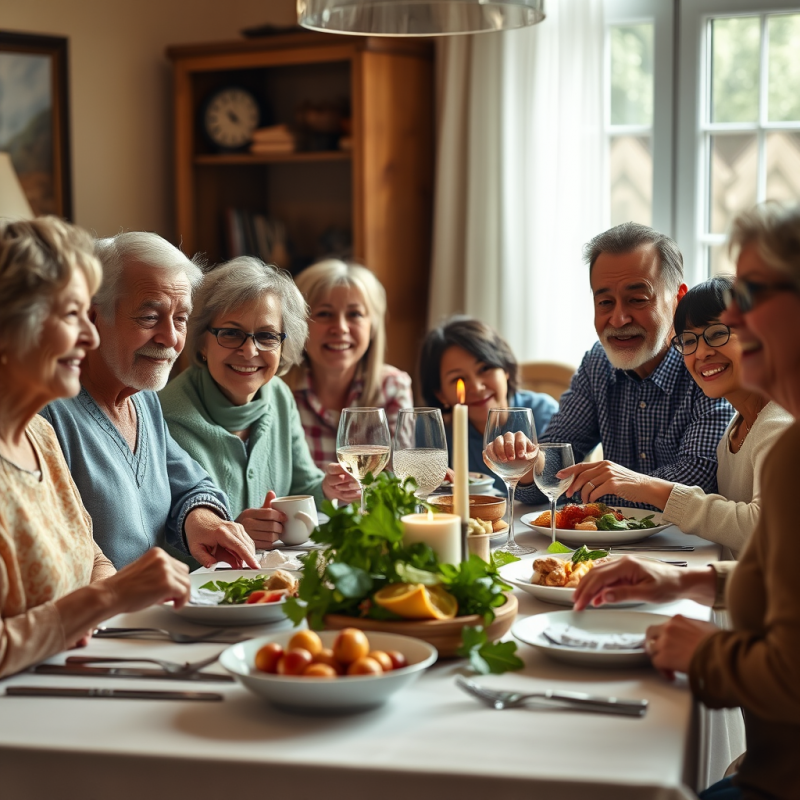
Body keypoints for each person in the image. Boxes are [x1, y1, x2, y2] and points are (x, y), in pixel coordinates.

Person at [573, 202, 800, 800]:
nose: (730, 327)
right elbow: (778, 578)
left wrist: (709, 651)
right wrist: (685, 584)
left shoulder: (782, 437)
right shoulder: (755, 426)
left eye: (751, 299)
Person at [0, 217, 190, 678]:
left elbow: (90, 553)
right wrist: (109, 599)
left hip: (75, 683)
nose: (89, 336)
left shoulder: (37, 437)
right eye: (72, 316)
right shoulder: (50, 422)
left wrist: (114, 607)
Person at [41, 232, 259, 571]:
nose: (171, 338)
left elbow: (190, 484)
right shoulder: (46, 415)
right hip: (99, 618)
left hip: (152, 611)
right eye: (149, 317)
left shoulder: (143, 399)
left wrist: (201, 520)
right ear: (93, 316)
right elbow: (55, 557)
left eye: (181, 318)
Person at [496, 222, 733, 506]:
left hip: (694, 546)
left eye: (637, 299)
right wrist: (527, 467)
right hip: (611, 547)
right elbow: (553, 471)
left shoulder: (707, 364)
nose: (619, 319)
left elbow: (699, 477)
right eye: (605, 302)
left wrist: (595, 487)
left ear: (678, 300)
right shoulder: (598, 363)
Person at [564, 276, 792, 558]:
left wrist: (646, 486)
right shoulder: (737, 431)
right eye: (689, 340)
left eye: (718, 333)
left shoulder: (781, 425)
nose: (702, 352)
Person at [158, 257, 360, 547]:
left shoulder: (278, 395)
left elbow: (303, 488)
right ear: (202, 341)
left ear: (283, 346)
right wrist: (230, 532)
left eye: (266, 336)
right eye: (231, 333)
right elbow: (158, 535)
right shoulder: (165, 416)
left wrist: (328, 489)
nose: (250, 351)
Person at [284, 259, 413, 470]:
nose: (341, 328)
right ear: (298, 324)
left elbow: (399, 479)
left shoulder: (393, 386)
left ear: (373, 326)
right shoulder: (278, 393)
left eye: (354, 314)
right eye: (325, 314)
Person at [418, 315, 558, 493]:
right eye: (459, 379)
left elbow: (561, 488)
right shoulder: (432, 431)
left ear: (506, 369)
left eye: (485, 368)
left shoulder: (543, 413)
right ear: (440, 393)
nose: (476, 387)